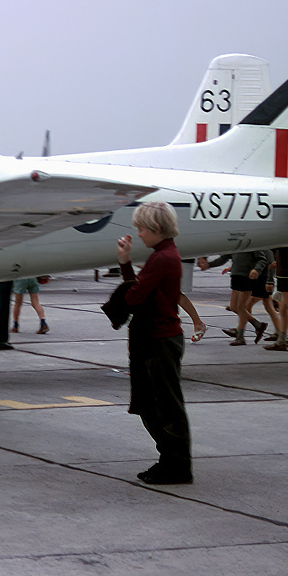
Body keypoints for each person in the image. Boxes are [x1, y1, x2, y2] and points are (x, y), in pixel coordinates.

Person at [115, 201, 191, 485]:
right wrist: (126, 265)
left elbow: (134, 298)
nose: (139, 233)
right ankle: (170, 461)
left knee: (162, 405)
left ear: (156, 228)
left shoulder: (161, 259)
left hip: (158, 339)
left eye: (142, 228)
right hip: (159, 337)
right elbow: (137, 294)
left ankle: (177, 464)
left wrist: (125, 266)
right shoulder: (165, 255)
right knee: (154, 405)